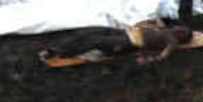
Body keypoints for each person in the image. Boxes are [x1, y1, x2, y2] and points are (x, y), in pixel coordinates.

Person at [41, 20, 194, 64]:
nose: (178, 29)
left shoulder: (171, 40)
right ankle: (56, 47)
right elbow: (151, 21)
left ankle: (57, 52)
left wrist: (147, 59)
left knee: (94, 41)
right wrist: (150, 22)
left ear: (181, 35)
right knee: (90, 31)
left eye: (181, 30)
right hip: (125, 32)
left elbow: (164, 55)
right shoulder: (165, 29)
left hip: (128, 42)